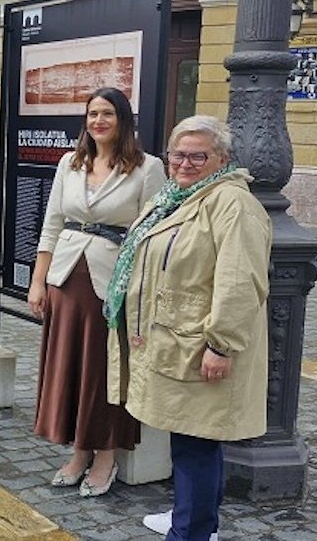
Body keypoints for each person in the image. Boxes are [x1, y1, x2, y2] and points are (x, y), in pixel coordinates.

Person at [105, 116, 270, 539]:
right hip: (175, 339)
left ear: (222, 159)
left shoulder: (233, 203)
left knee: (197, 442)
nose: (185, 163)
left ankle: (192, 531)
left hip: (201, 343)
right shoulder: (174, 197)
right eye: (178, 153)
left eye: (199, 155)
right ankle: (193, 516)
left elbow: (241, 280)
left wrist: (221, 345)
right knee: (189, 436)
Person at [26, 87, 166, 496]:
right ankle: (79, 450)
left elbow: (151, 233)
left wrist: (139, 292)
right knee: (70, 367)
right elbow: (51, 225)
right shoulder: (70, 163)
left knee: (105, 371)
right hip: (67, 279)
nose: (98, 121)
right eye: (92, 114)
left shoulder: (147, 167)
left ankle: (105, 454)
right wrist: (38, 281)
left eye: (107, 114)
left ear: (123, 120)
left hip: (113, 283)